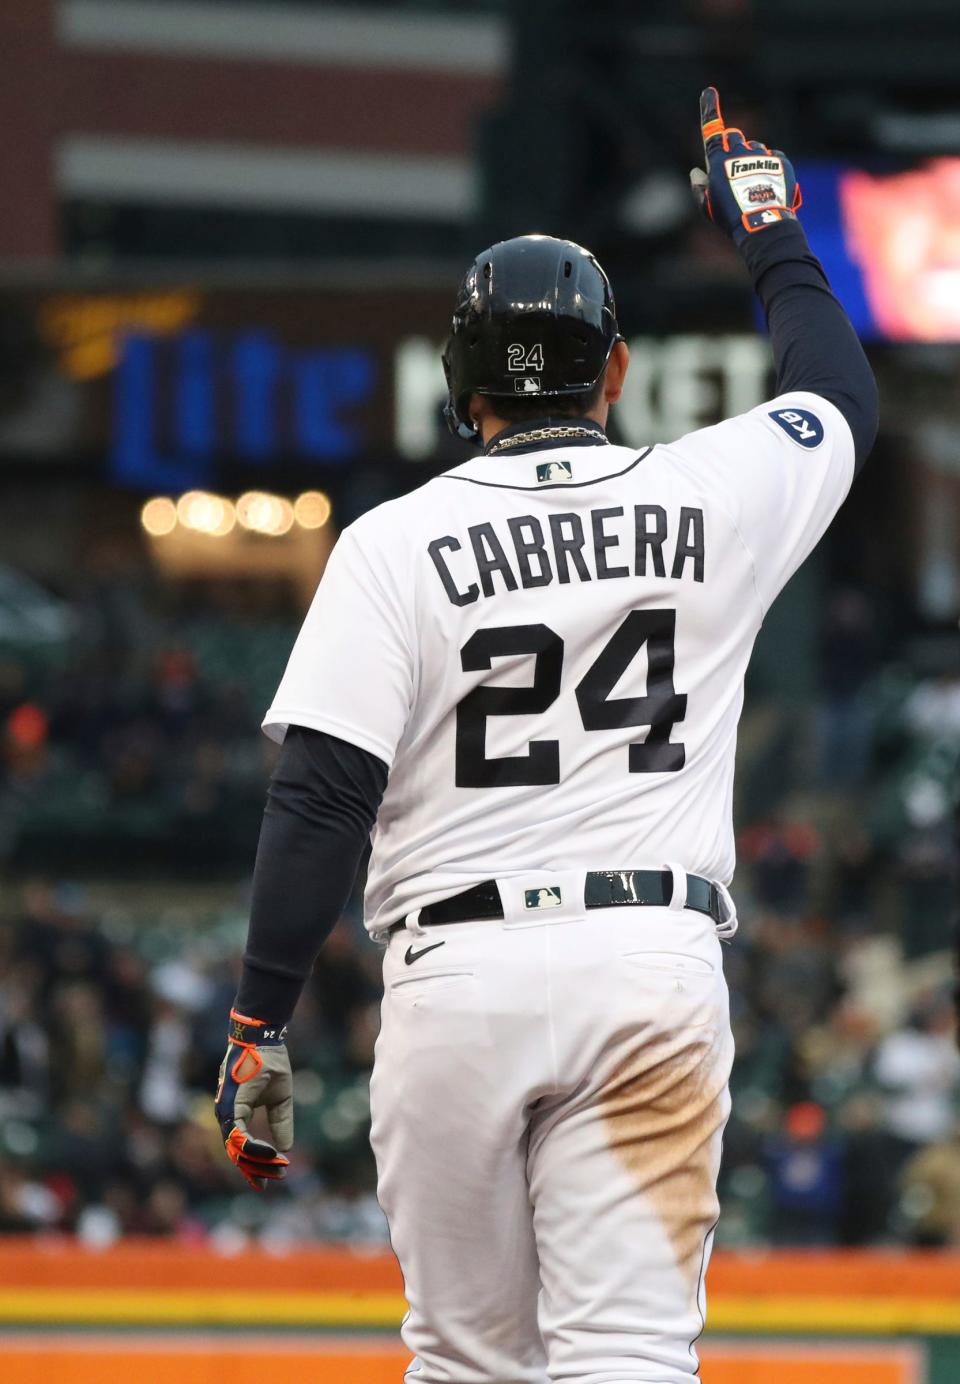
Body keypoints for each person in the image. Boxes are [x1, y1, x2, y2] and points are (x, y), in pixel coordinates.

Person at [214, 89, 877, 1383]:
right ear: (614, 370)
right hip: (649, 964)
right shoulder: (710, 490)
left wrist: (261, 1019)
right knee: (628, 1355)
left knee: (467, 1363)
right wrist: (769, 232)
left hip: (458, 975)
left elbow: (320, 798)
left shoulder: (393, 541)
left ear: (463, 384)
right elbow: (837, 388)